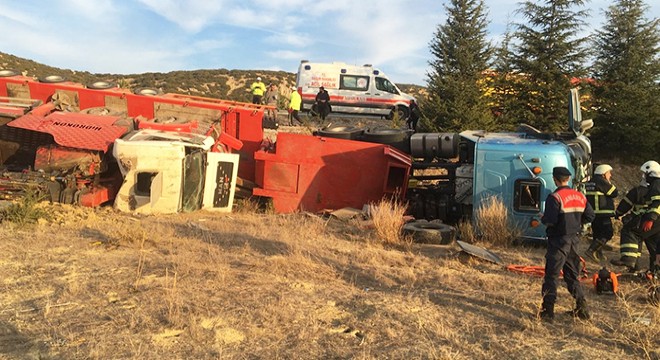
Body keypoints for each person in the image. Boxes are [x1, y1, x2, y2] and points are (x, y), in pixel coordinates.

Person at [539, 166, 595, 322]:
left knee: (552, 275)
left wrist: (543, 218)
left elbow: (550, 220)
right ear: (569, 179)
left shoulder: (555, 197)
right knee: (572, 275)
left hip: (558, 241)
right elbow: (590, 216)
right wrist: (576, 223)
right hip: (574, 240)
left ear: (555, 179)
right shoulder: (580, 196)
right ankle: (582, 308)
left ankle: (548, 312)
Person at [610, 179, 650, 271]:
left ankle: (628, 259)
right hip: (655, 223)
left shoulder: (638, 191)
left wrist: (618, 213)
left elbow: (625, 204)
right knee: (651, 246)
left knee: (629, 231)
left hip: (641, 220)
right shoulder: (656, 190)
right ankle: (646, 268)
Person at [583, 164, 618, 263]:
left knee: (597, 234)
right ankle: (591, 250)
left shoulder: (590, 182)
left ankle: (598, 254)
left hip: (593, 214)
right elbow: (615, 192)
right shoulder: (602, 182)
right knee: (608, 233)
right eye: (609, 173)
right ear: (603, 174)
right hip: (603, 213)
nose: (610, 175)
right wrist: (608, 181)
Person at [639, 160, 660, 273]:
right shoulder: (654, 184)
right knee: (655, 246)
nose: (644, 176)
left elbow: (657, 203)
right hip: (656, 219)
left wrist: (650, 219)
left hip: (656, 220)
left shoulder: (657, 184)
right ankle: (654, 270)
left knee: (637, 233)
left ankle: (632, 262)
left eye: (645, 174)